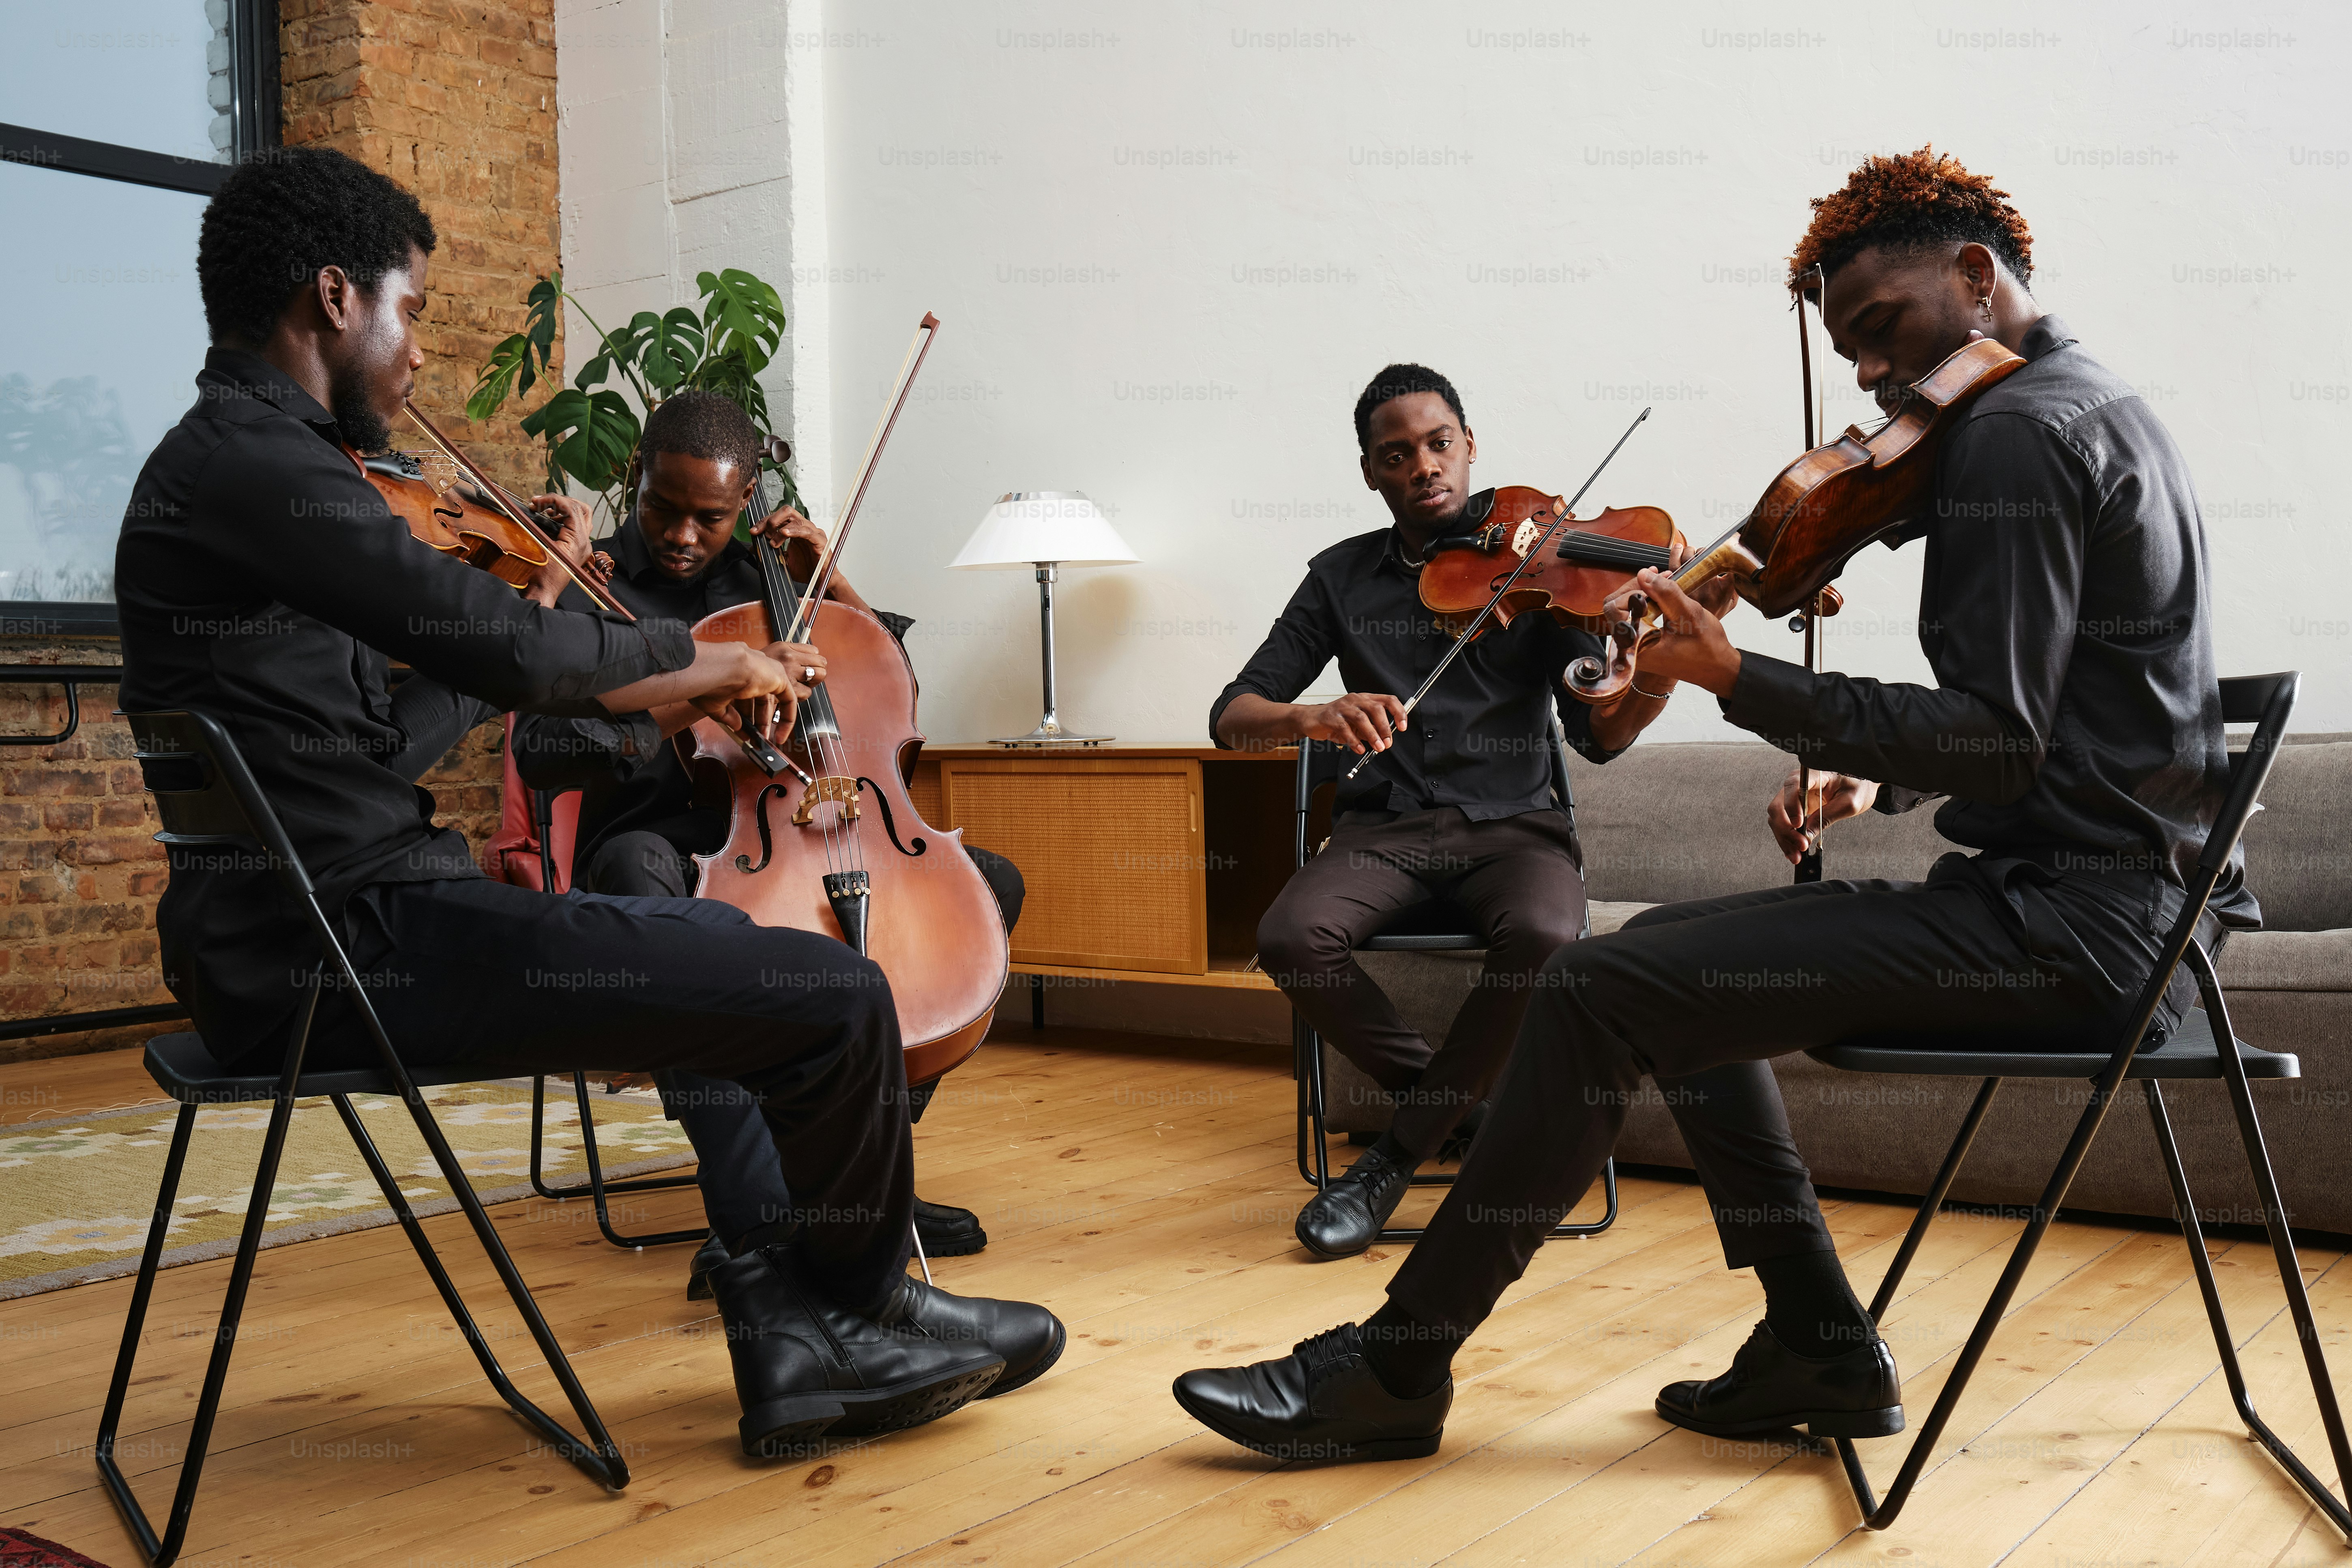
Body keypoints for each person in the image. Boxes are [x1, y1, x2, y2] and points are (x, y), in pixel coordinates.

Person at [1174, 146, 2250, 1461]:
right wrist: (1874, 775)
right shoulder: (2096, 406)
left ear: (1977, 277)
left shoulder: (2017, 432)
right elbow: (2102, 713)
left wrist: (1739, 673)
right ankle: (1818, 1339)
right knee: (1667, 973)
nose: (1864, 374)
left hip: (2077, 930)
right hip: (2114, 905)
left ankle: (1396, 1368)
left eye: (1878, 328)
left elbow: (2003, 734)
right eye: (1846, 344)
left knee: (1596, 986)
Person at [116, 144, 1061, 1459]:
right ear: (337, 298)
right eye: (415, 313)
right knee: (831, 989)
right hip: (347, 944)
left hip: (326, 928)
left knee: (751, 954)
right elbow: (510, 660)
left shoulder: (241, 465)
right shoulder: (262, 469)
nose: (415, 358)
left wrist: (537, 608)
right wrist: (711, 660)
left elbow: (389, 736)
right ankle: (853, 1315)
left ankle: (800, 1329)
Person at [510, 390, 1023, 1293]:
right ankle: (755, 1215)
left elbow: (885, 684)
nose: (680, 533)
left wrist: (833, 579)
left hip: (800, 825)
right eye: (663, 508)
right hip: (664, 840)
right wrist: (702, 688)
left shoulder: (769, 576)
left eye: (709, 517)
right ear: (637, 479)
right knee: (647, 889)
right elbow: (546, 748)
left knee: (983, 887)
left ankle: (856, 1181)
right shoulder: (593, 584)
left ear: (745, 497)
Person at [1212, 363, 1689, 1260]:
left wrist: (1654, 671)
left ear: (1468, 447)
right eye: (1397, 455)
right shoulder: (1338, 577)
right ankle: (1472, 1117)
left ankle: (1392, 1159)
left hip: (1516, 831)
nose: (1423, 466)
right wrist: (1308, 713)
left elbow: (1599, 738)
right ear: (1370, 473)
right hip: (1383, 829)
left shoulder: (1545, 561)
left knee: (1548, 936)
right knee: (1286, 934)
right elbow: (1232, 715)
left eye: (1438, 444)